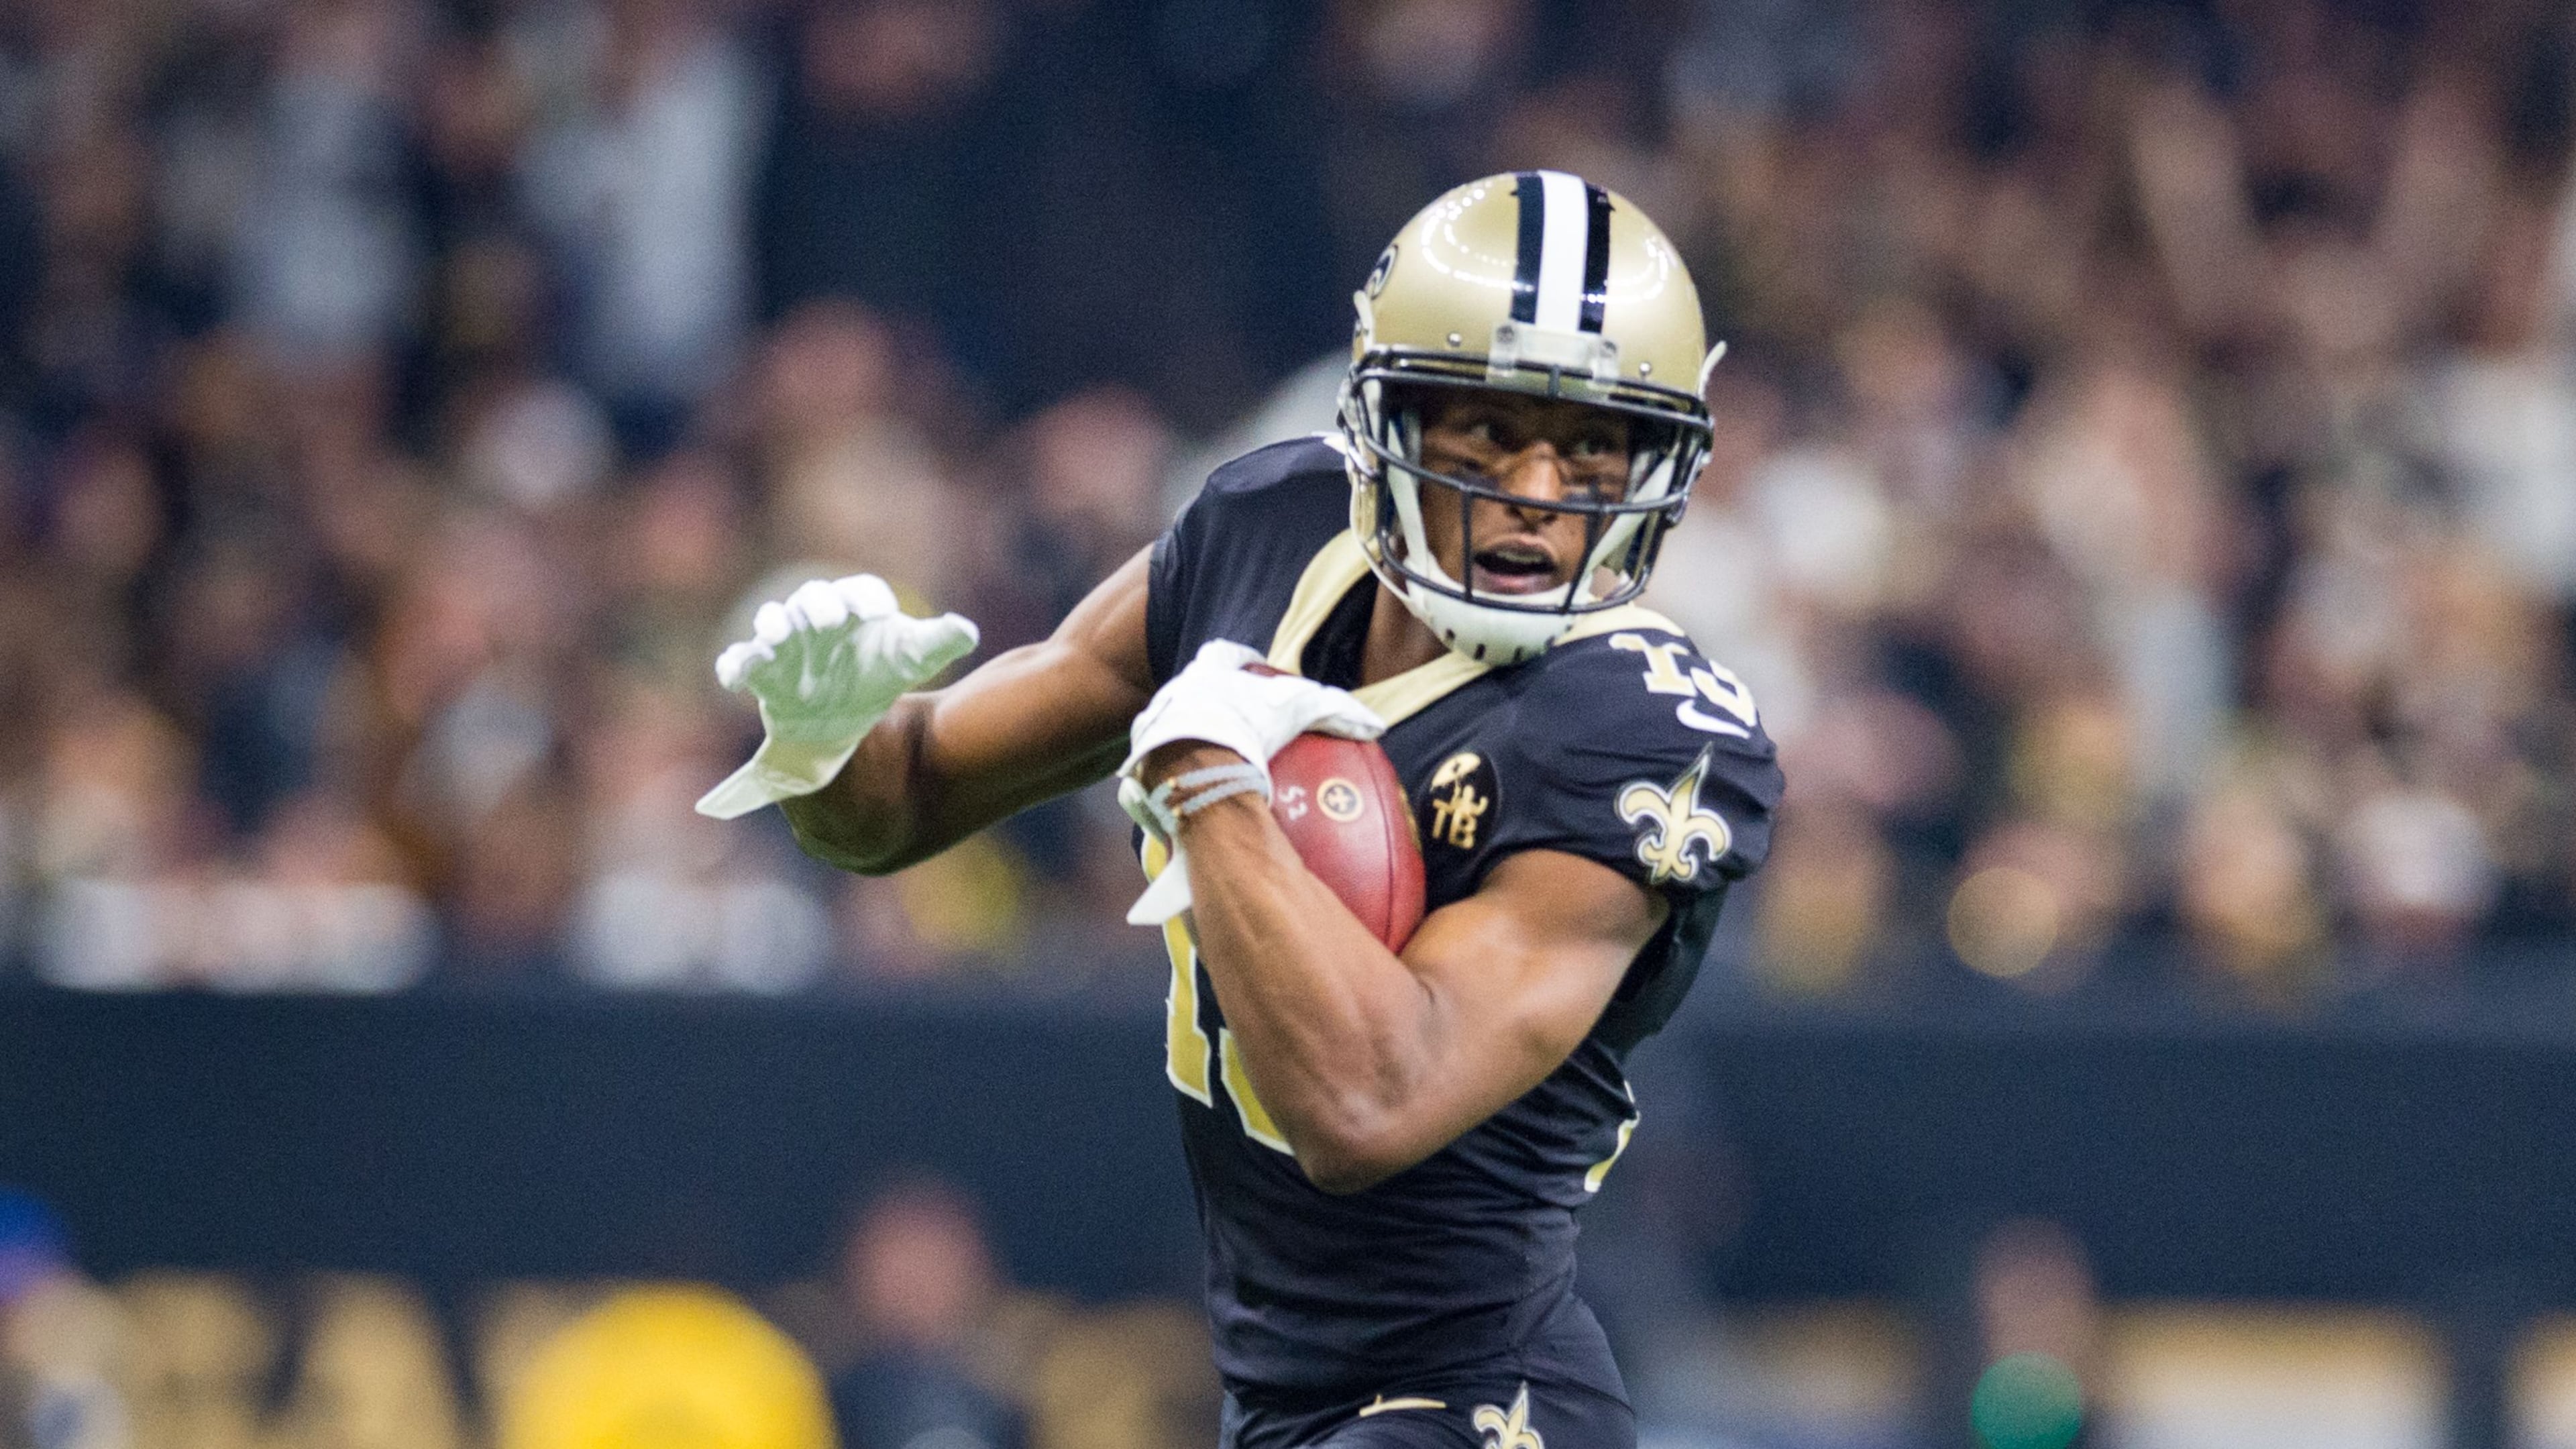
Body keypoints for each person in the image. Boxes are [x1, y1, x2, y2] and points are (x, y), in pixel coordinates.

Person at [700, 172, 1782, 1449]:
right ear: (1387, 421)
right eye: (1488, 432)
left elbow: (1369, 1104)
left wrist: (1215, 788)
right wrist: (828, 741)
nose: (1541, 490)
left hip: (1483, 1400)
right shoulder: (1270, 534)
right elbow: (908, 805)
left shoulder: (1640, 729)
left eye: (1594, 443)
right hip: (1284, 1400)